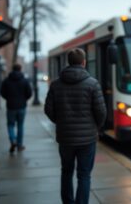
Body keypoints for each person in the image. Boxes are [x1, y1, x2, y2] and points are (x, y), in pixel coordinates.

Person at [44, 48, 106, 204]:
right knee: (84, 175)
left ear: (68, 62)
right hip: (87, 139)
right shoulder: (93, 84)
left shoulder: (56, 84)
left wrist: (61, 122)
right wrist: (95, 127)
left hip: (65, 138)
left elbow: (48, 109)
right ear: (84, 62)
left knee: (66, 172)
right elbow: (101, 111)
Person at [0, 63, 32, 153]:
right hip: (22, 106)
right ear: (20, 69)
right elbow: (29, 93)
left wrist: (8, 98)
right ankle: (19, 145)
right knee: (20, 126)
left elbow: (2, 92)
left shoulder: (6, 80)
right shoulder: (25, 81)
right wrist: (24, 99)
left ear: (12, 69)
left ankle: (13, 140)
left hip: (10, 106)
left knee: (10, 125)